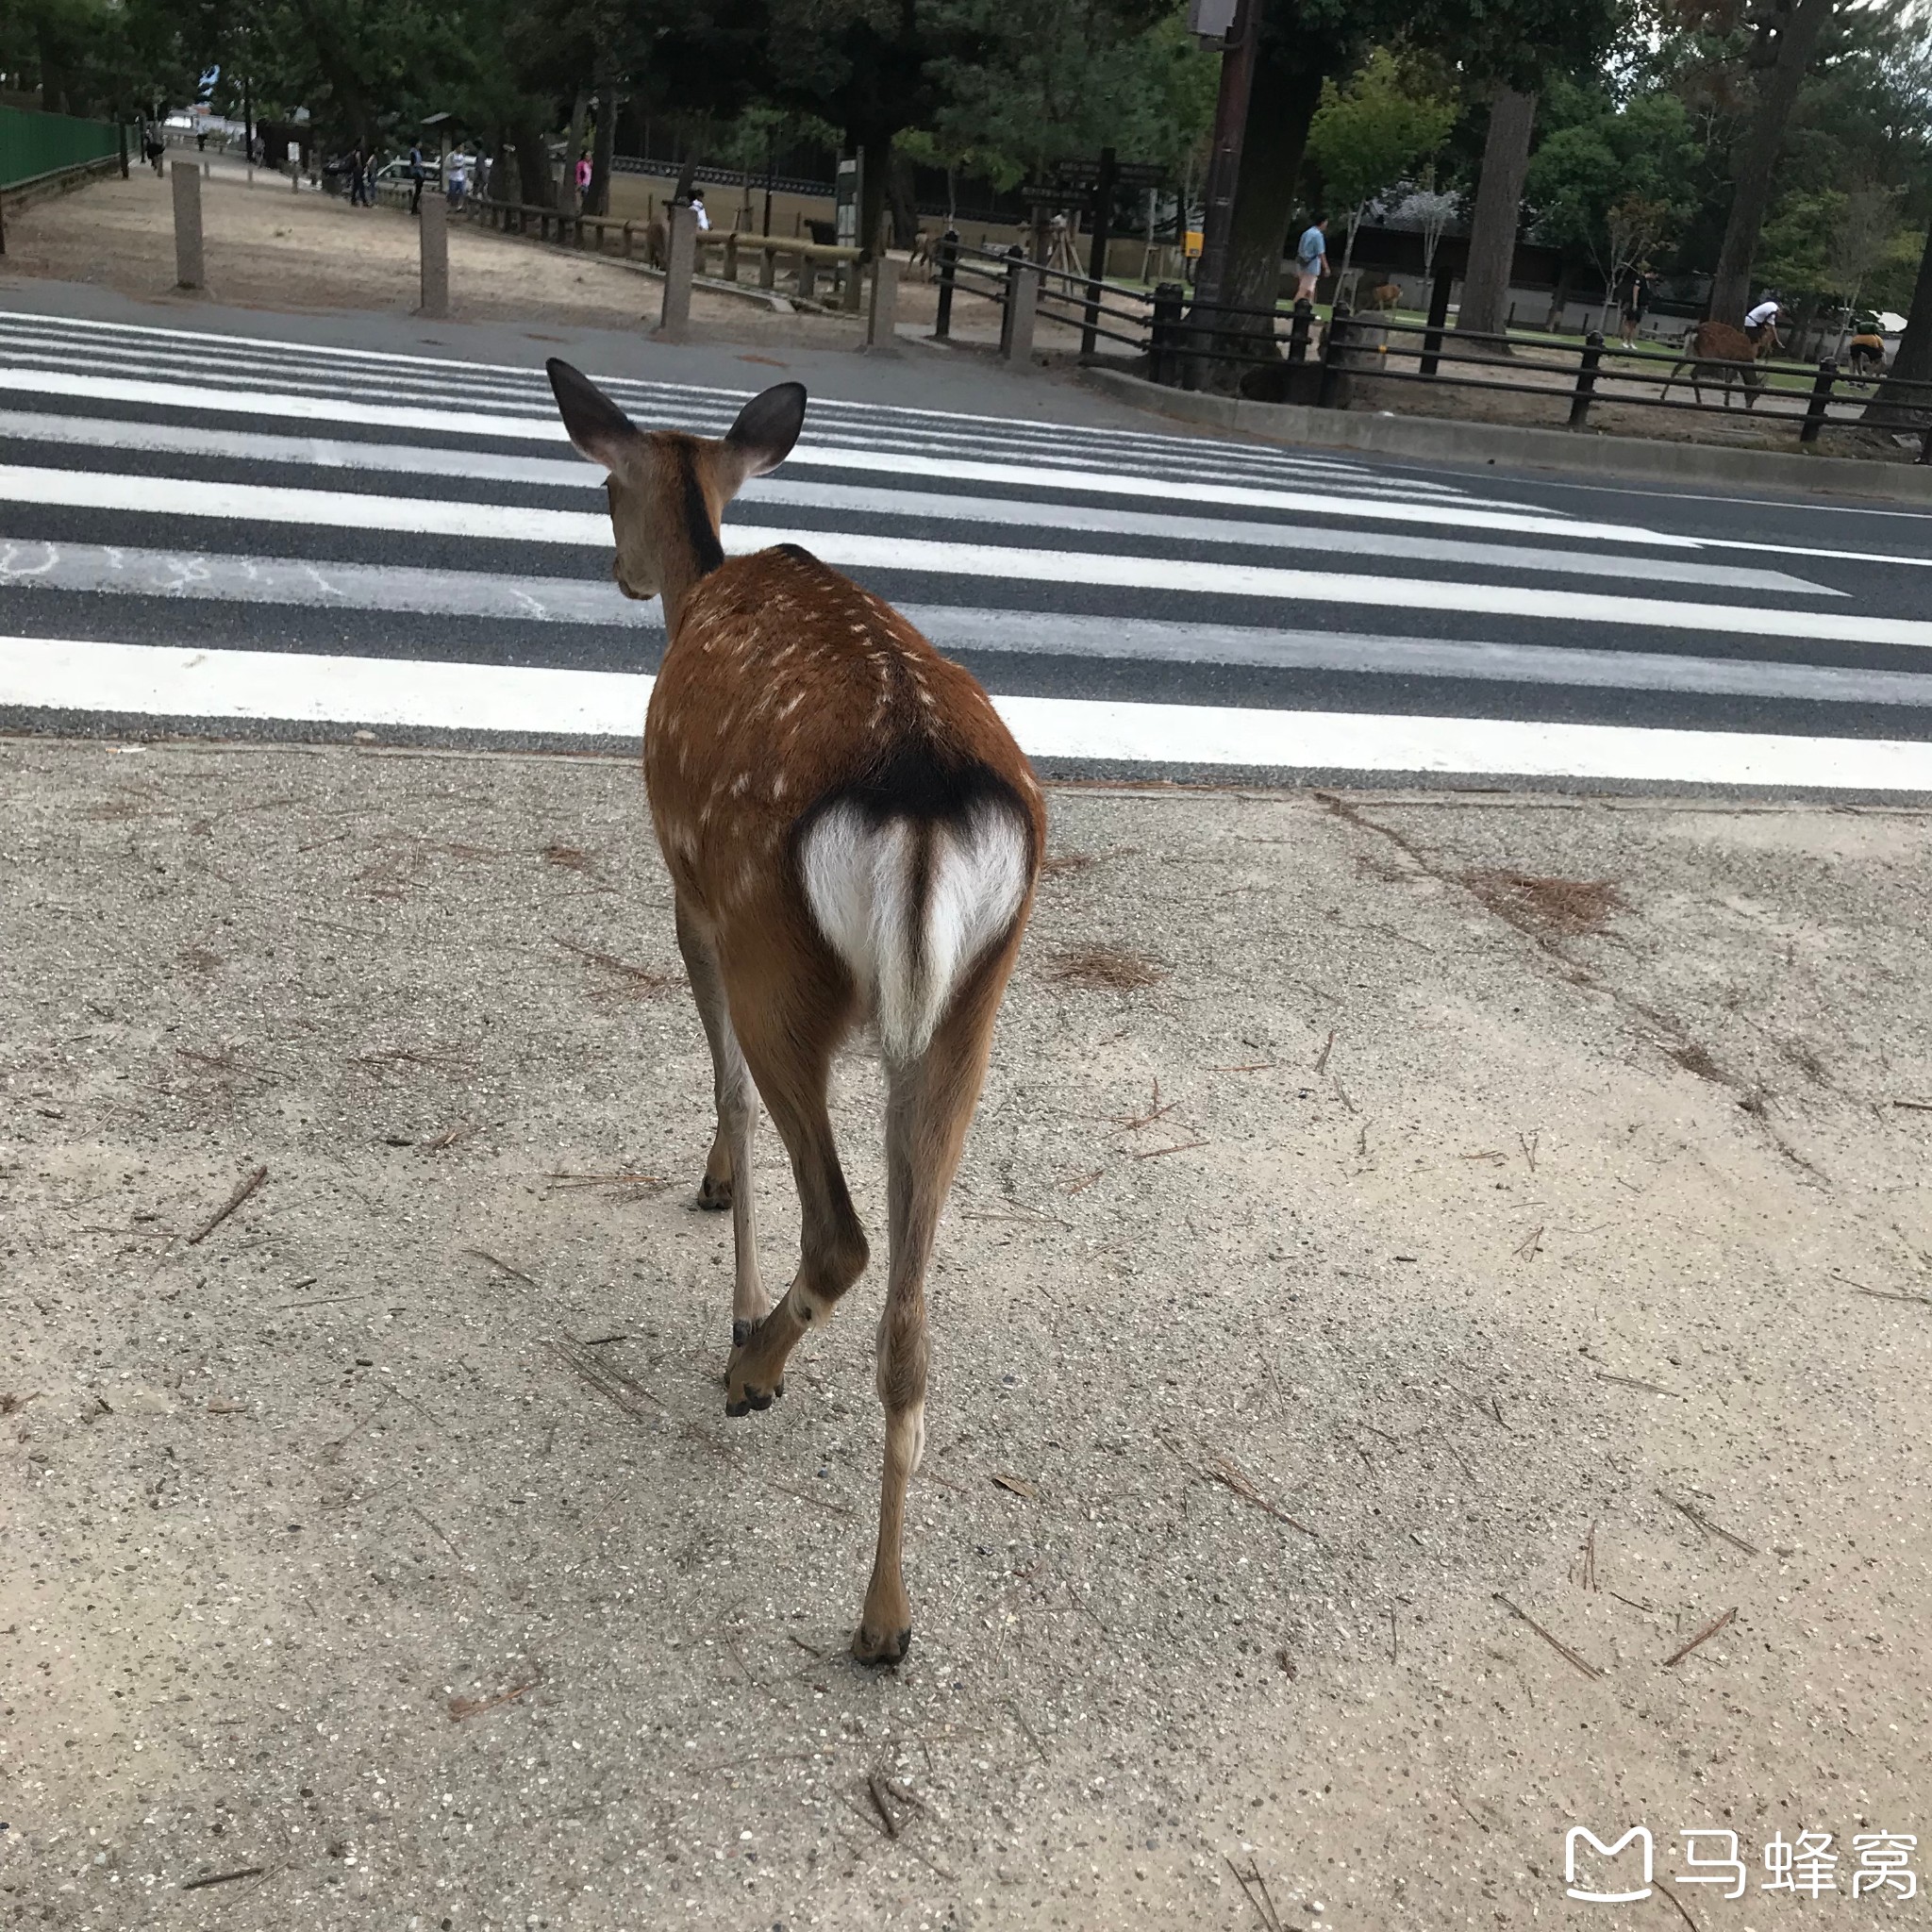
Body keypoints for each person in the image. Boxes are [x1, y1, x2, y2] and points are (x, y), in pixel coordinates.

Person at [1294, 216, 1328, 304]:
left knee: (1310, 290)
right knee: (1304, 290)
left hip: (1301, 263)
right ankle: (1293, 309)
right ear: (1322, 223)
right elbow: (1321, 253)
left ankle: (1309, 309)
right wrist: (1326, 267)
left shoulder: (1306, 233)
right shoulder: (1318, 235)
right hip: (1311, 266)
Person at [1619, 262, 1653, 346]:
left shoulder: (1647, 282)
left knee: (1634, 324)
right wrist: (1634, 303)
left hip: (1641, 305)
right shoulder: (1640, 279)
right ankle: (1624, 341)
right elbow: (1635, 290)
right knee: (1629, 322)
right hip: (1634, 304)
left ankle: (1630, 341)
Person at [347, 143, 368, 207]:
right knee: (360, 186)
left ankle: (353, 200)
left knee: (355, 187)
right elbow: (359, 163)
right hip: (358, 171)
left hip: (356, 171)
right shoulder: (358, 154)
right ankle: (364, 201)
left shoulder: (353, 153)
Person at [408, 142, 425, 215]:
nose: (421, 145)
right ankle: (414, 208)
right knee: (417, 191)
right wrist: (420, 165)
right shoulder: (413, 152)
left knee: (418, 192)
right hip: (417, 173)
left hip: (420, 172)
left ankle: (415, 207)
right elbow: (413, 163)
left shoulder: (418, 152)